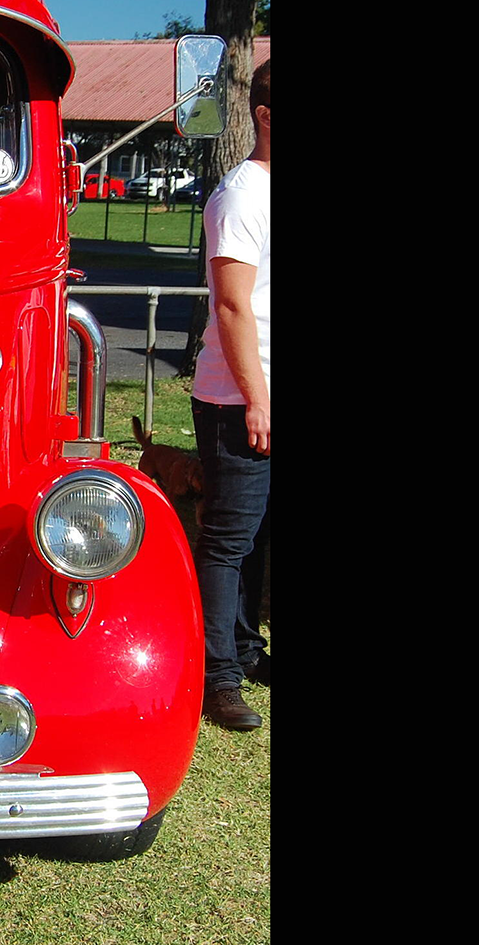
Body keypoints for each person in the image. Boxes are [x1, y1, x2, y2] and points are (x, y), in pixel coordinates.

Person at [193, 57, 270, 731]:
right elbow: (235, 308)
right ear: (266, 116)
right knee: (227, 540)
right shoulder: (241, 194)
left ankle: (247, 650)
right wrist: (258, 399)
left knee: (259, 538)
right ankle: (217, 677)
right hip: (238, 396)